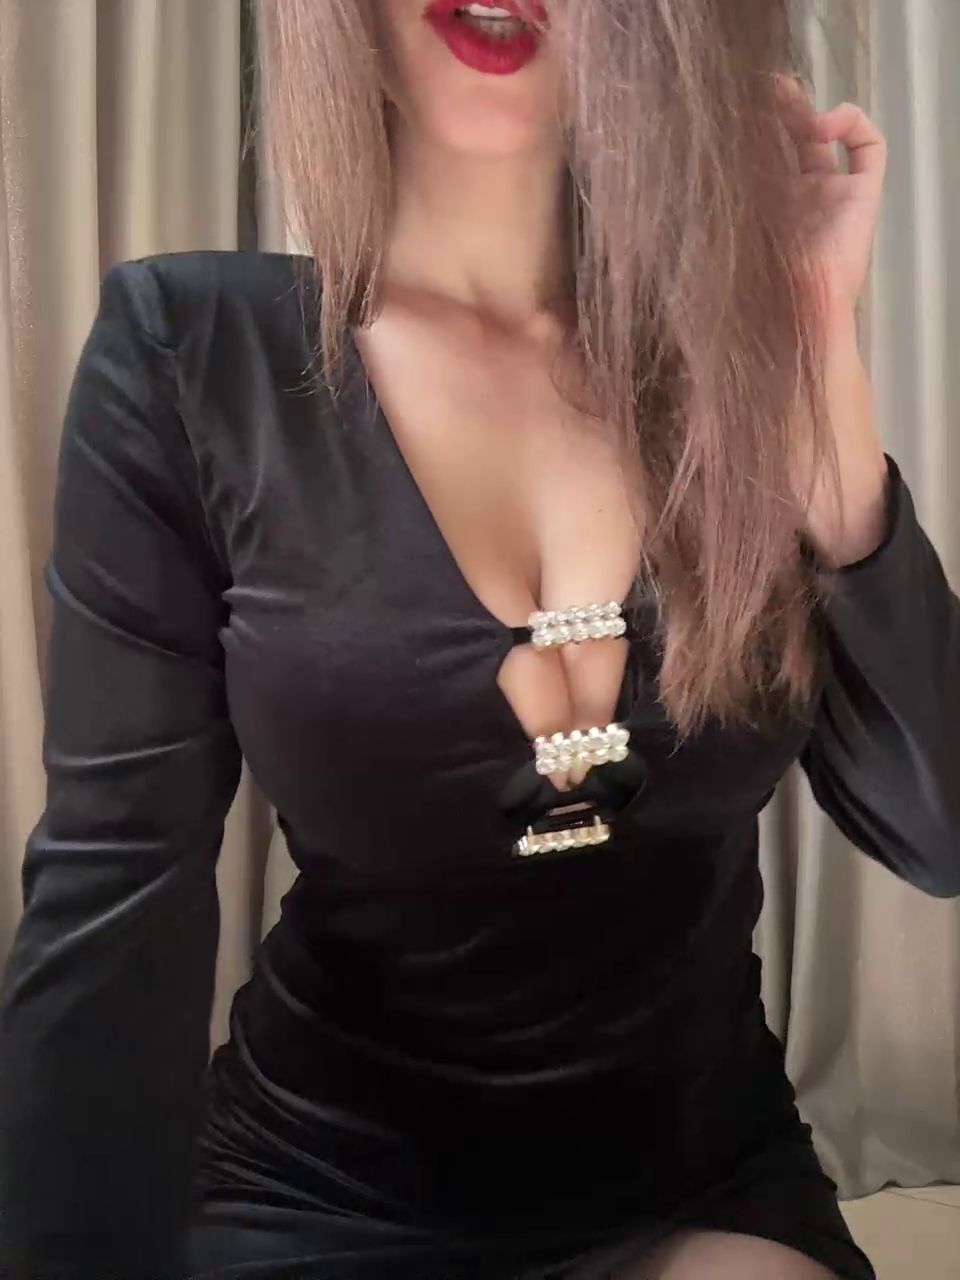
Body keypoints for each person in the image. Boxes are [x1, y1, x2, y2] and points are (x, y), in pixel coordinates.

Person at [1, 1, 958, 1277]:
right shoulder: (192, 353)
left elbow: (937, 828)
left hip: (697, 1183)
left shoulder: (724, 386)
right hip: (315, 1190)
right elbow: (115, 899)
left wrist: (815, 368)